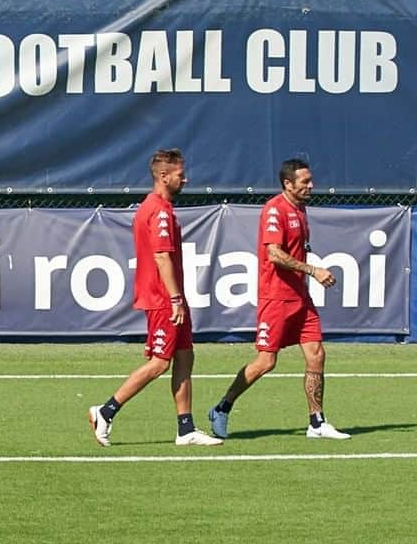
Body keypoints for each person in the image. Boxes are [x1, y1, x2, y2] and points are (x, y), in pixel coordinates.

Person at [88, 148, 221, 448]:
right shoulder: (159, 211)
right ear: (163, 176)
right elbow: (161, 257)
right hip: (163, 299)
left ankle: (185, 429)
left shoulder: (158, 208)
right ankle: (105, 411)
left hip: (172, 298)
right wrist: (175, 299)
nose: (185, 179)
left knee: (185, 356)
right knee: (160, 363)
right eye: (179, 174)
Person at [207, 159, 349, 440]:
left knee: (316, 354)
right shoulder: (275, 209)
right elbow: (274, 253)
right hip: (276, 297)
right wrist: (313, 270)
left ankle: (317, 422)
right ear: (288, 184)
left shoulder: (300, 207)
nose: (311, 186)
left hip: (300, 297)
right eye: (304, 182)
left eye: (310, 180)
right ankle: (222, 407)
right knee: (265, 362)